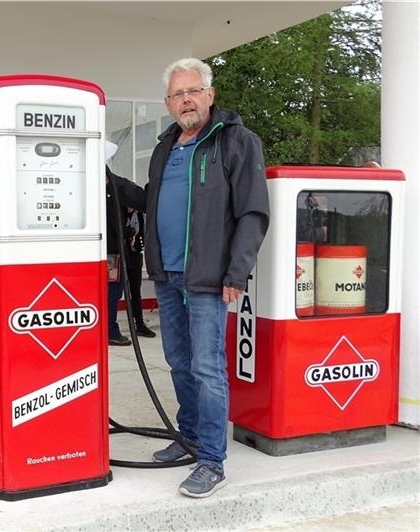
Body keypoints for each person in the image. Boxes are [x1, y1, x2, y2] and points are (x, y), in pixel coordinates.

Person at [112, 58, 269, 498]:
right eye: (178, 94)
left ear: (210, 94)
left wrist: (237, 272)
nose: (186, 100)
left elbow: (253, 213)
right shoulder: (166, 147)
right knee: (180, 362)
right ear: (167, 103)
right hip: (166, 274)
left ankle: (211, 460)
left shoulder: (236, 141)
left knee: (207, 367)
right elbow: (153, 202)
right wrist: (113, 181)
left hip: (209, 276)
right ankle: (190, 436)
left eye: (193, 91)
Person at [106, 166, 131, 347]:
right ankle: (111, 331)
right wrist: (131, 229)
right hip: (113, 255)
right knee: (113, 294)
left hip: (102, 253)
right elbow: (119, 228)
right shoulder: (113, 199)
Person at [124, 207, 157, 338]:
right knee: (115, 292)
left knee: (136, 292)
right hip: (121, 256)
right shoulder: (117, 212)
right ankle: (110, 326)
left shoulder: (140, 216)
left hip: (135, 255)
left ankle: (139, 324)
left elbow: (145, 232)